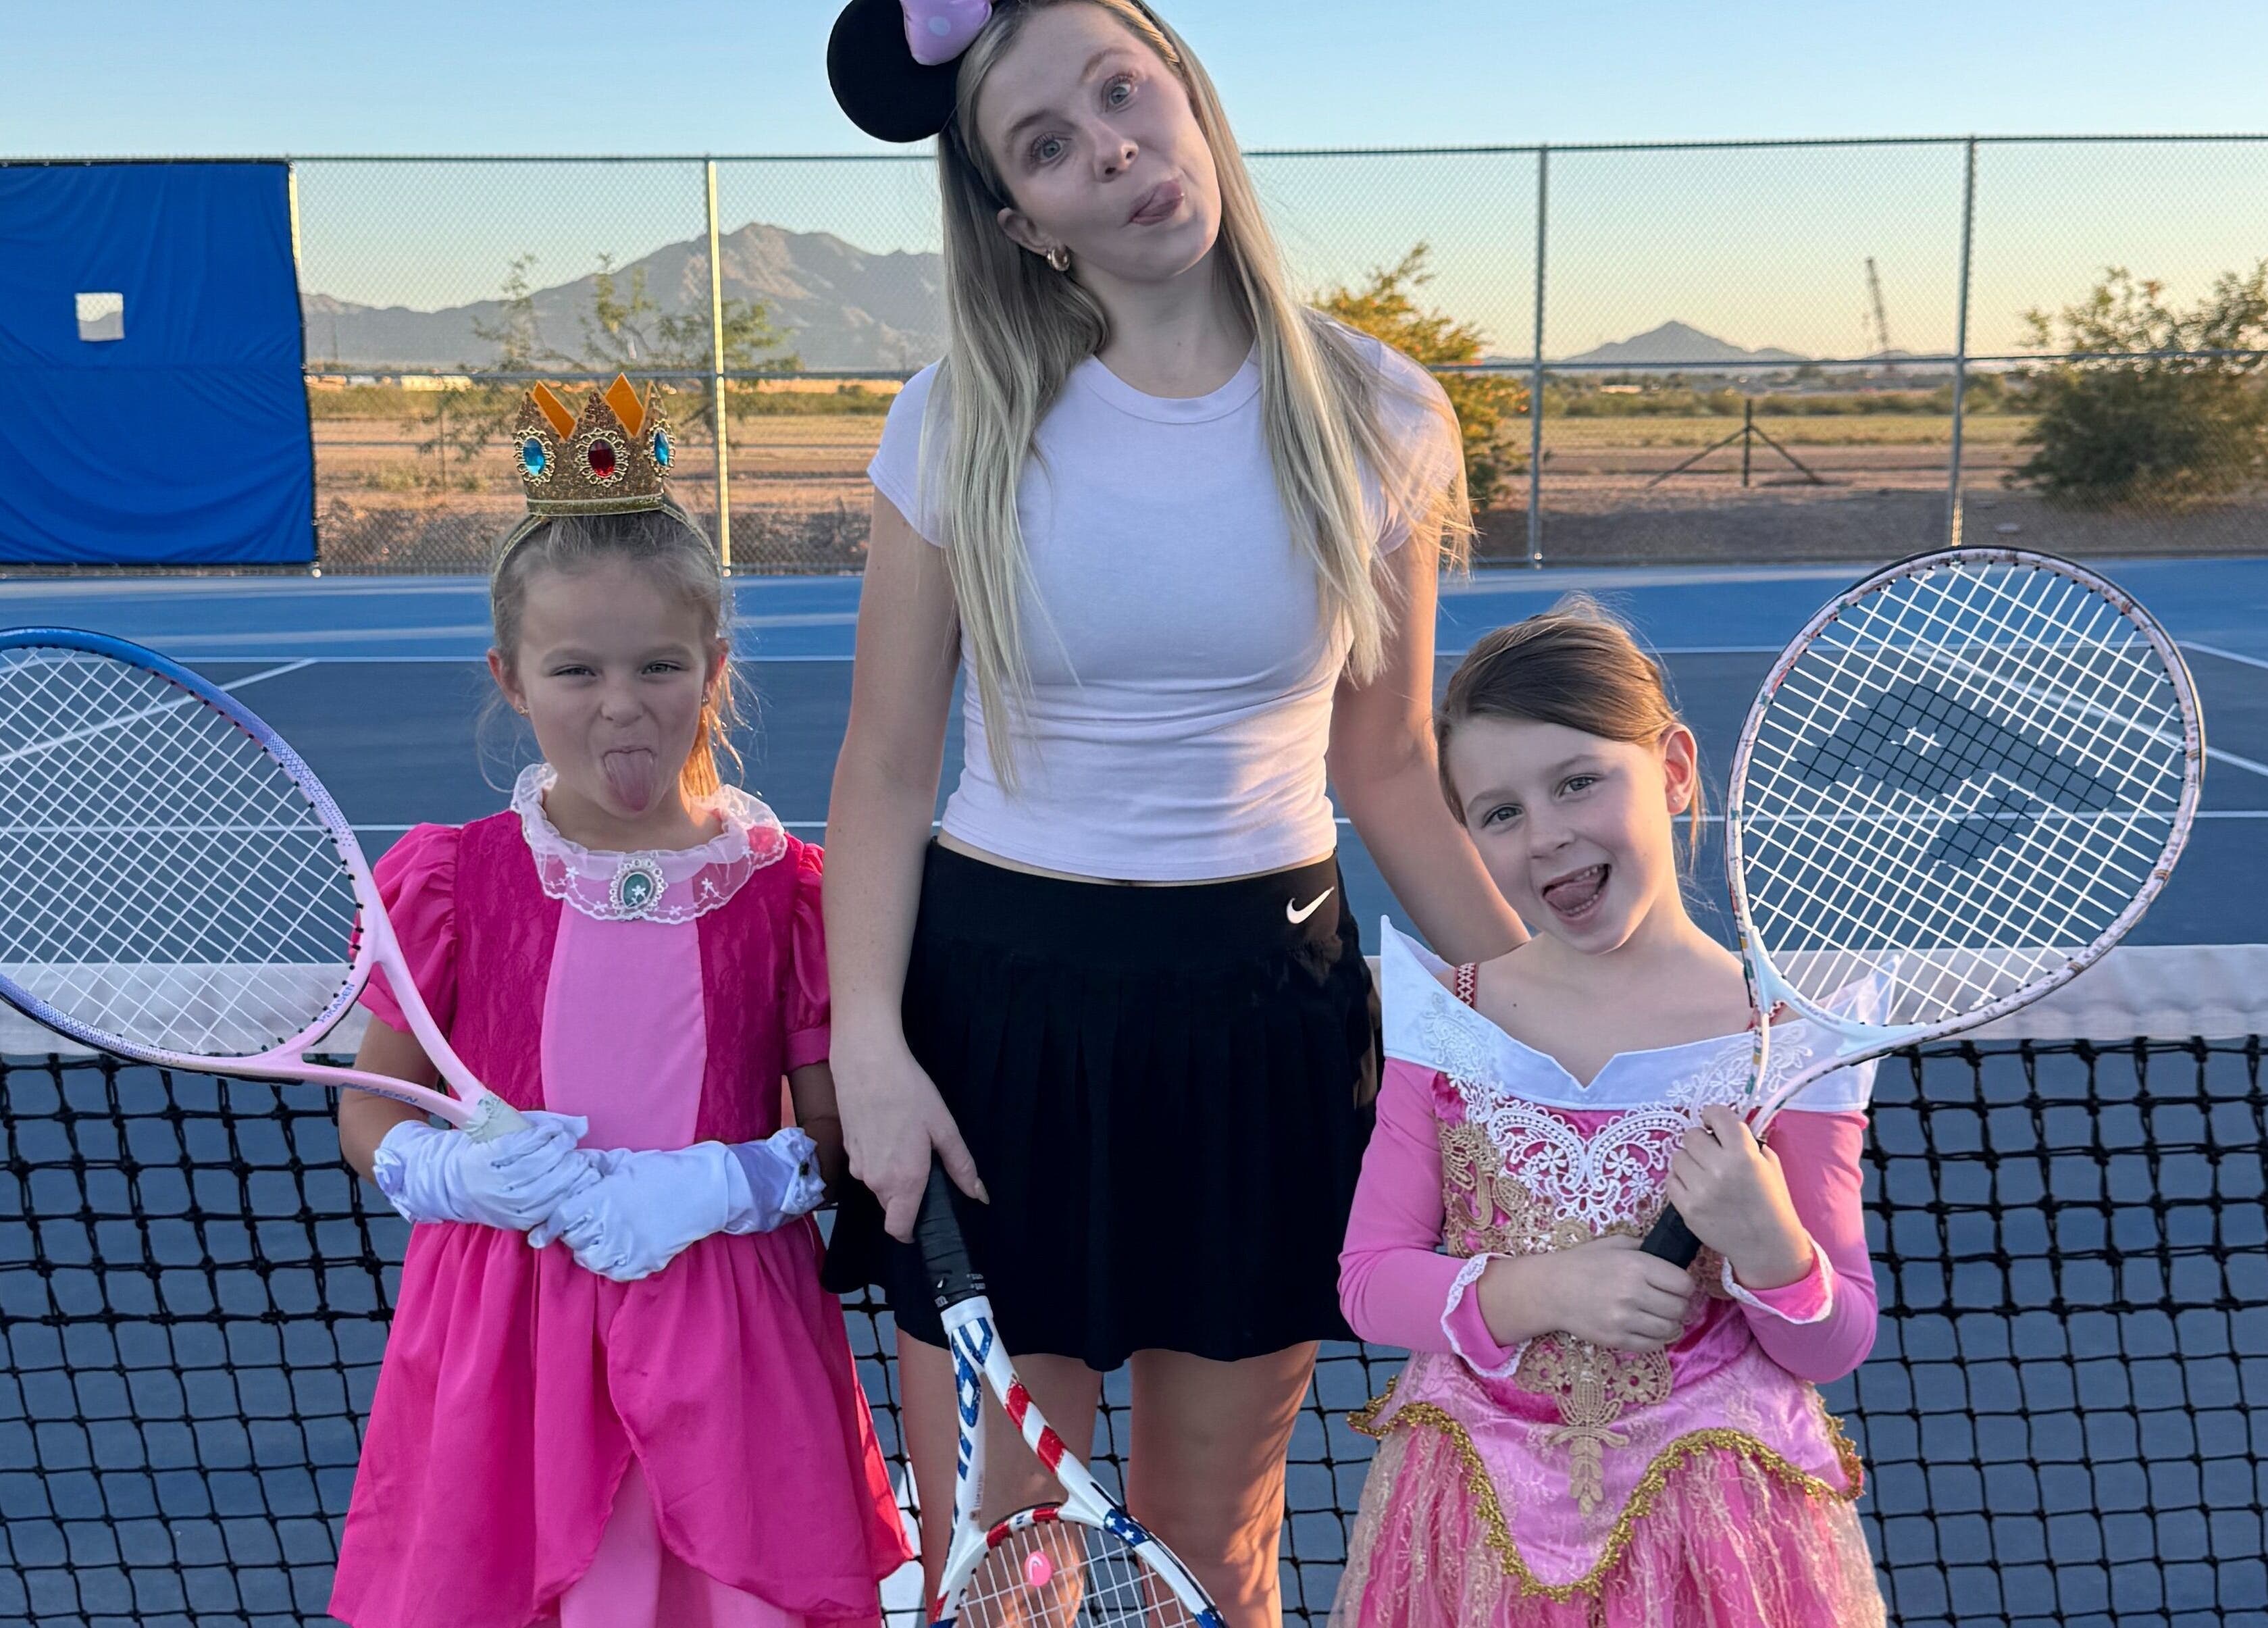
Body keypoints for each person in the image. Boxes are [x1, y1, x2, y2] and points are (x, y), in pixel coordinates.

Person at [820, 0, 1525, 1618]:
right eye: (1046, 146)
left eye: (1120, 94)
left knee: (1217, 1538)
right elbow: (880, 761)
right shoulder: (956, 420)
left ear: (1187, 94)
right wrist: (870, 1041)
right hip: (1001, 1023)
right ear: (1020, 220)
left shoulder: (1382, 414)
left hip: (1260, 1017)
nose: (1109, 148)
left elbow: (1388, 769)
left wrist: (1552, 1017)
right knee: (1000, 1555)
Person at [328, 377, 910, 1628]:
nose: (620, 701)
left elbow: (826, 1125)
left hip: (725, 1332)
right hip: (506, 1334)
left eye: (658, 664)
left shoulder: (788, 894)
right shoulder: (450, 884)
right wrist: (454, 1176)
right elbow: (374, 1112)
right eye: (574, 667)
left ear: (712, 666)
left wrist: (720, 1184)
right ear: (510, 676)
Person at [1335, 601, 1888, 1627]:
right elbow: (1369, 1283)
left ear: (1672, 768)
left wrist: (1768, 1245)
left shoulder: (1794, 1042)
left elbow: (1834, 1338)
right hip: (1469, 1536)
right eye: (1497, 812)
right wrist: (1541, 1288)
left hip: (1717, 1542)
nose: (1544, 834)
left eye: (1577, 781)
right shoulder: (1446, 1019)